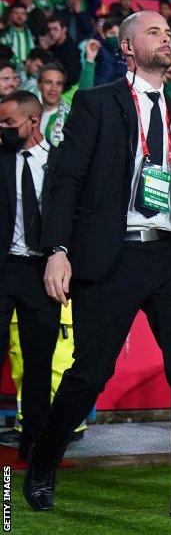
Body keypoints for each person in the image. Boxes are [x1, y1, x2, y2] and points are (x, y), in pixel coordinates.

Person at [24, 11, 171, 521]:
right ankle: (43, 457)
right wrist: (57, 249)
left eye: (170, 32)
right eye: (154, 31)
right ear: (126, 47)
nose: (167, 37)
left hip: (170, 255)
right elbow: (66, 181)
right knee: (90, 373)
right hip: (112, 253)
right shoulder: (95, 103)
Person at [0, 91, 61, 460]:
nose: (3, 129)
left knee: (39, 361)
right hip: (3, 269)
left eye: (9, 122)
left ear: (33, 122)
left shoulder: (59, 164)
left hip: (42, 274)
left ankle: (33, 444)